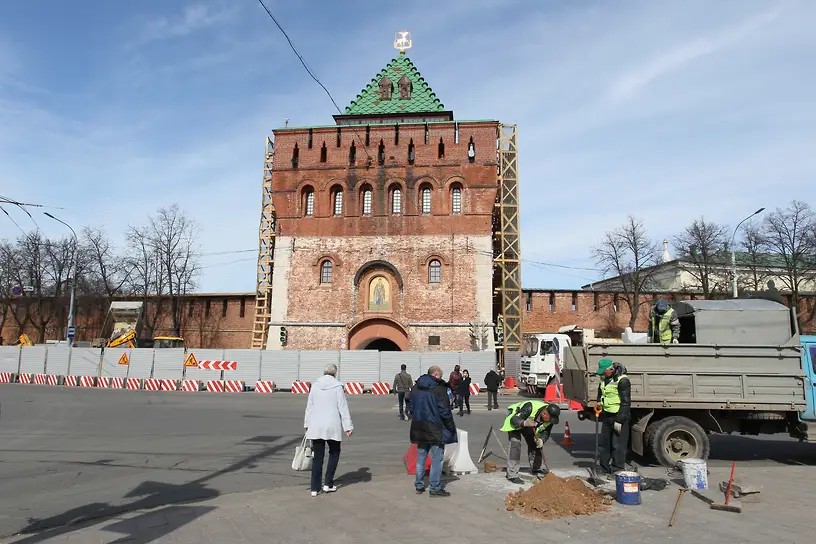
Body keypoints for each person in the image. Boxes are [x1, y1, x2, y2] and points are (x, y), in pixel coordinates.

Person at [304, 363, 354, 497]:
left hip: (316, 425)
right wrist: (347, 426)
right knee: (334, 453)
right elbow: (342, 407)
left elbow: (310, 406)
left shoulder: (315, 386)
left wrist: (307, 424)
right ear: (335, 373)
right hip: (332, 425)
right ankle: (328, 483)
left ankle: (314, 488)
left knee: (317, 457)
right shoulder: (337, 387)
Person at [409, 365, 457, 497]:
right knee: (437, 459)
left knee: (421, 457)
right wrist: (451, 427)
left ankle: (419, 485)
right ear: (435, 375)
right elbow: (445, 411)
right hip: (435, 428)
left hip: (419, 427)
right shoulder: (439, 389)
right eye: (440, 376)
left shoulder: (415, 388)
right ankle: (435, 488)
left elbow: (410, 407)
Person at [500, 400, 560, 484]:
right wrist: (524, 423)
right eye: (550, 419)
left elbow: (546, 432)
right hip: (516, 421)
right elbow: (513, 419)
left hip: (530, 425)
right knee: (515, 445)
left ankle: (537, 467)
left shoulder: (550, 419)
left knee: (535, 443)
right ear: (544, 413)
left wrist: (541, 440)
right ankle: (512, 474)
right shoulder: (529, 407)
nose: (550, 422)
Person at [593, 358, 631, 475]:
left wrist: (620, 420)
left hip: (618, 416)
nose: (602, 374)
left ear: (611, 369)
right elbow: (601, 394)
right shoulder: (603, 379)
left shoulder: (622, 380)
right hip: (606, 415)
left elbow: (626, 402)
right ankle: (604, 468)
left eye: (604, 371)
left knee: (618, 445)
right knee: (604, 444)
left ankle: (617, 470)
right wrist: (599, 403)